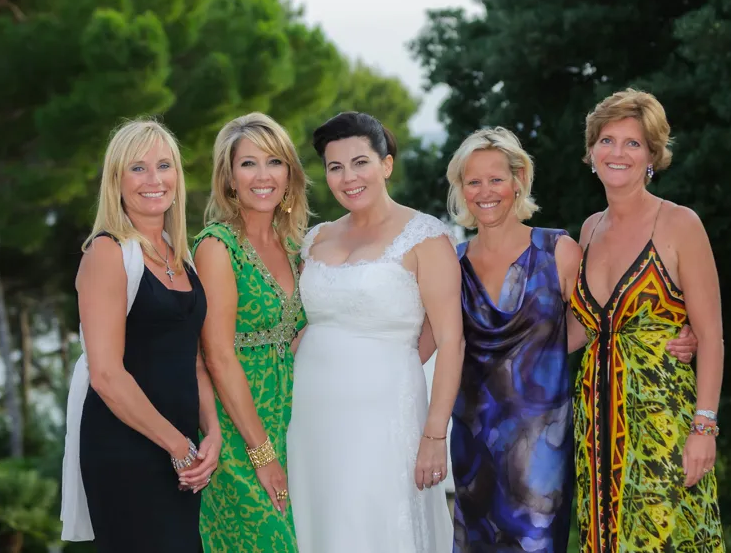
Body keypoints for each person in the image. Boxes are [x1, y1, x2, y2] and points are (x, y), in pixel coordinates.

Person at [436, 127, 699, 553]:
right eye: (473, 181)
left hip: (543, 444)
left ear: (519, 180)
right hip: (472, 439)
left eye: (497, 178)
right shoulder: (452, 260)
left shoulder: (557, 249)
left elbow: (602, 321)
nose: (486, 191)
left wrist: (672, 334)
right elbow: (430, 336)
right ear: (460, 188)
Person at [287, 111, 462, 553]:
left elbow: (450, 340)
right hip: (310, 418)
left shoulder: (425, 237)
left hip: (386, 417)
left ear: (385, 164)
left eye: (360, 162)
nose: (348, 177)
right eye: (335, 167)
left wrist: (434, 436)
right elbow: (305, 324)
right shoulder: (315, 239)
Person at [569, 89, 724, 552]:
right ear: (592, 152)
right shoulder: (589, 228)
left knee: (661, 540)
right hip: (595, 420)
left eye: (633, 143)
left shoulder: (680, 224)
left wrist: (704, 427)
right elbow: (583, 328)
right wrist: (501, 345)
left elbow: (712, 336)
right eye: (607, 140)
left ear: (652, 155)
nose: (618, 153)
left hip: (661, 422)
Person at [61, 119, 220, 552]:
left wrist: (213, 432)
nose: (154, 180)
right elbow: (107, 376)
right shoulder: (106, 252)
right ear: (116, 180)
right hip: (126, 450)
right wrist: (178, 446)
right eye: (138, 168)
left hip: (182, 453)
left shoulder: (180, 253)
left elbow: (193, 359)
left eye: (164, 166)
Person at [193, 112, 309, 552]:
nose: (264, 176)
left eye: (274, 162)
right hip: (240, 433)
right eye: (248, 164)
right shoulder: (216, 246)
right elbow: (218, 356)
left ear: (289, 173)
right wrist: (262, 454)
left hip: (294, 423)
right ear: (229, 178)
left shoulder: (296, 245)